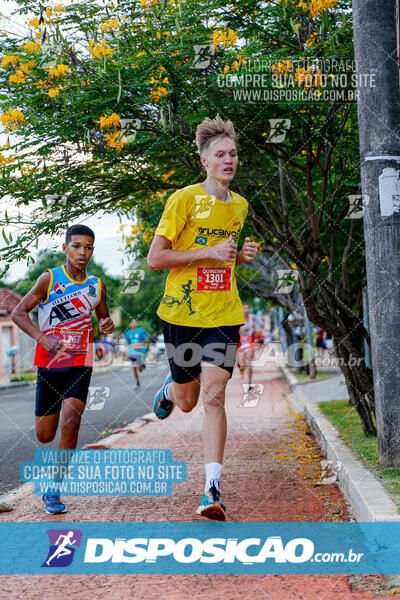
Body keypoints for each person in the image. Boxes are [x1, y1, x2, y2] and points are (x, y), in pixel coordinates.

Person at [147, 114, 259, 521]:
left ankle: (212, 489)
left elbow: (223, 262)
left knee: (214, 395)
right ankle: (171, 389)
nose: (228, 160)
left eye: (233, 154)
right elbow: (156, 258)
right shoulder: (183, 200)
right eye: (220, 154)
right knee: (189, 401)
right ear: (205, 160)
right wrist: (207, 254)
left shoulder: (240, 206)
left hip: (224, 313)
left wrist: (240, 258)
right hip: (181, 313)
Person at [11, 224, 114, 514]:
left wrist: (107, 325)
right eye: (77, 246)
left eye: (89, 247)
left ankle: (53, 490)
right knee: (45, 434)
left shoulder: (97, 285)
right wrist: (43, 337)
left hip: (80, 361)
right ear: (65, 248)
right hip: (49, 363)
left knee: (71, 422)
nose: (83, 253)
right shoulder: (49, 279)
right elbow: (18, 313)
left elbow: (105, 321)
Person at [236, 303, 258, 390]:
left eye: (247, 308)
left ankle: (249, 383)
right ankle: (241, 368)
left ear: (249, 309)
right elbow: (234, 331)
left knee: (249, 362)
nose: (245, 310)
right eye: (244, 308)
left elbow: (256, 328)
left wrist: (257, 331)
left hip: (250, 342)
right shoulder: (238, 319)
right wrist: (241, 330)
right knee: (241, 363)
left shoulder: (252, 318)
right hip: (241, 343)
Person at [125, 318, 149, 387]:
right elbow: (128, 342)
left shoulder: (140, 331)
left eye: (135, 322)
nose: (134, 324)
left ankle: (142, 365)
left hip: (140, 351)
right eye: (132, 322)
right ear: (130, 324)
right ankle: (138, 382)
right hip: (132, 353)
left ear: (137, 324)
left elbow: (146, 339)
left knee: (140, 369)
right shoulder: (128, 333)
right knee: (134, 367)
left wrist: (139, 344)